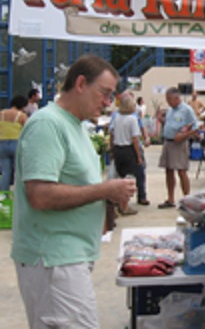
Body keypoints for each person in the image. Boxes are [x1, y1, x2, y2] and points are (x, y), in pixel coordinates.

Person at [11, 54, 136, 329]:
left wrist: (110, 197)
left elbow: (78, 185)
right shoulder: (48, 125)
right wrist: (104, 189)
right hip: (54, 260)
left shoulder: (74, 126)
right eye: (104, 93)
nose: (107, 103)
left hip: (68, 258)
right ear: (80, 83)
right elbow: (40, 195)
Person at [157, 87, 199, 209]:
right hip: (168, 142)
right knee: (168, 170)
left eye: (169, 99)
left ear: (177, 98)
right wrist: (162, 121)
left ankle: (187, 199)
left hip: (179, 144)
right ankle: (170, 199)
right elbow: (171, 123)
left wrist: (183, 135)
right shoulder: (170, 110)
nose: (168, 102)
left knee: (181, 171)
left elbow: (195, 127)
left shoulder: (187, 110)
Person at [109, 94, 147, 214]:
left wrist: (112, 149)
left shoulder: (117, 117)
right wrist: (139, 156)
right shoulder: (132, 119)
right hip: (129, 150)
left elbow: (112, 134)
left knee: (121, 176)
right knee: (133, 177)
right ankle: (125, 206)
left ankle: (119, 202)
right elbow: (135, 139)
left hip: (118, 148)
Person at [0, 95, 28, 190]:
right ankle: (18, 194)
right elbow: (28, 129)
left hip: (2, 144)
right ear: (22, 106)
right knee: (19, 171)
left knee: (5, 172)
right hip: (16, 144)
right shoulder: (22, 116)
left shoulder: (1, 113)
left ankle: (3, 195)